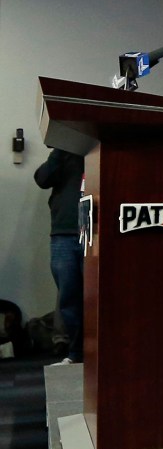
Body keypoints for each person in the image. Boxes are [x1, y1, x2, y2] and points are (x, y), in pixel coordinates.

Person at [33, 148, 85, 365]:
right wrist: (60, 150)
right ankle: (77, 354)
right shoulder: (64, 153)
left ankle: (95, 352)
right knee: (68, 298)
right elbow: (42, 179)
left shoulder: (98, 147)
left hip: (93, 232)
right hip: (63, 233)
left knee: (95, 297)